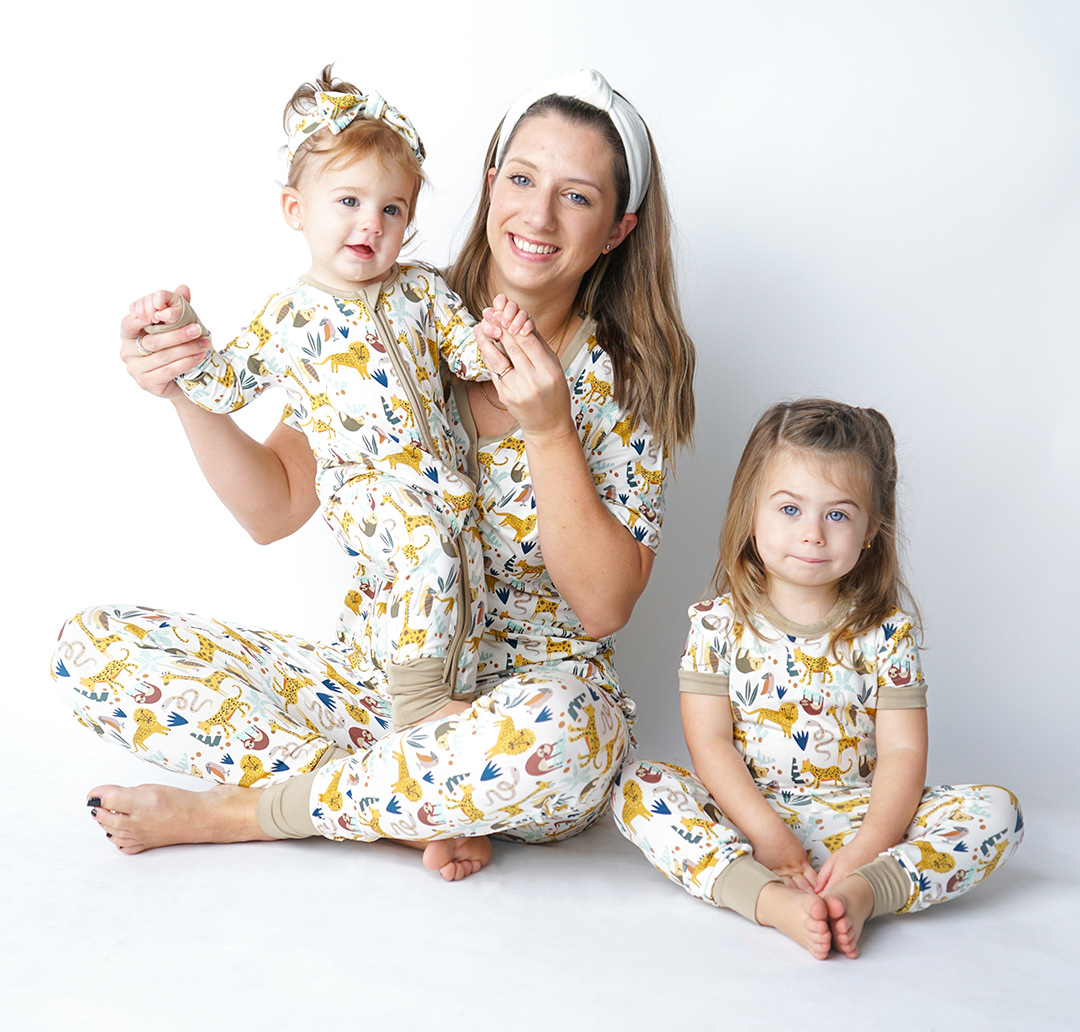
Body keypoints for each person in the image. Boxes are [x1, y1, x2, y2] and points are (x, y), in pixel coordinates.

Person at [53, 68, 696, 881]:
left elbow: (604, 607)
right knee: (95, 650)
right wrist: (186, 387)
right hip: (374, 688)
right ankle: (405, 804)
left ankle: (254, 813)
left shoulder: (625, 378)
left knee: (572, 735)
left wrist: (548, 427)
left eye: (576, 196)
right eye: (524, 179)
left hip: (512, 718)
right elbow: (275, 507)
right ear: (492, 184)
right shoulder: (377, 316)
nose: (537, 214)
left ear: (616, 228)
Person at [136, 66, 533, 729]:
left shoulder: (423, 292)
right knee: (424, 548)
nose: (369, 224)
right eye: (347, 201)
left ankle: (434, 716)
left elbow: (469, 356)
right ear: (297, 210)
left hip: (443, 485)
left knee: (459, 572)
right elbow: (225, 383)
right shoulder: (294, 315)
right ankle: (418, 708)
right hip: (365, 488)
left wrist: (499, 339)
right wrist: (179, 333)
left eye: (392, 209)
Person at [611, 399, 1022, 956]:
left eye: (837, 515)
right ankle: (771, 900)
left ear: (871, 529)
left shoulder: (885, 634)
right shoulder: (716, 624)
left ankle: (862, 894)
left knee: (999, 811)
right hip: (748, 820)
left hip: (861, 816)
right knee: (638, 787)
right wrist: (767, 836)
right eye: (789, 509)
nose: (812, 535)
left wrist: (864, 853)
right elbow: (709, 742)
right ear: (750, 509)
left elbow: (902, 754)